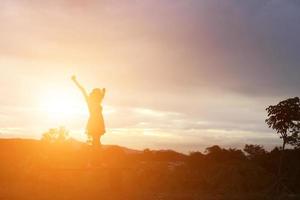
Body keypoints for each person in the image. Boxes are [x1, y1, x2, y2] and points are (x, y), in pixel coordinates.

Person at [71, 75, 106, 147]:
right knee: (96, 139)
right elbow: (82, 89)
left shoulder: (98, 101)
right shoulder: (89, 101)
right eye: (97, 94)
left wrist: (103, 92)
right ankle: (95, 153)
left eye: (98, 94)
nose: (98, 96)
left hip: (98, 121)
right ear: (95, 95)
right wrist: (75, 81)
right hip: (94, 121)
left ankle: (96, 152)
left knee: (97, 139)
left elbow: (102, 96)